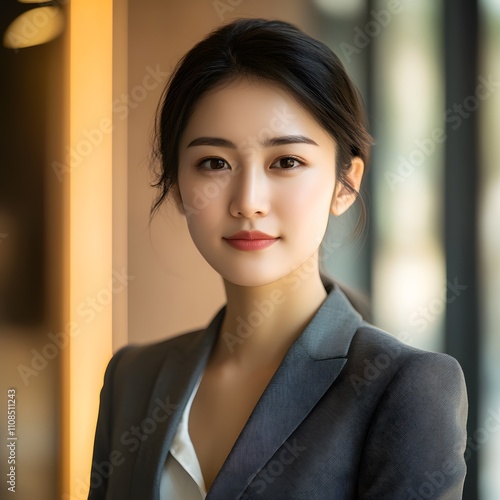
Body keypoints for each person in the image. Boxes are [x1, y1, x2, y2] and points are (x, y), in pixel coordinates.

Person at [88, 18, 467, 499]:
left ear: (345, 182)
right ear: (178, 183)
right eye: (214, 163)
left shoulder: (406, 388)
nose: (248, 201)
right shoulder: (132, 379)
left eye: (285, 161)